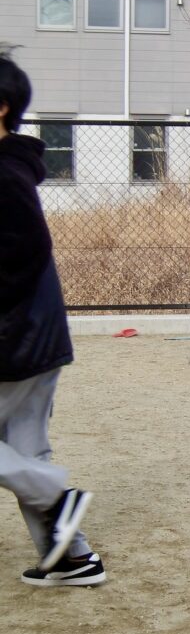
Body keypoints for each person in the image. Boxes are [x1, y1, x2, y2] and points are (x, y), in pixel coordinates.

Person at [0, 54, 106, 586]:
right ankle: (71, 557)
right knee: (26, 451)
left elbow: (23, 252)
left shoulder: (3, 174)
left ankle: (57, 500)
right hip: (34, 334)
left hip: (16, 337)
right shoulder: (12, 169)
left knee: (28, 459)